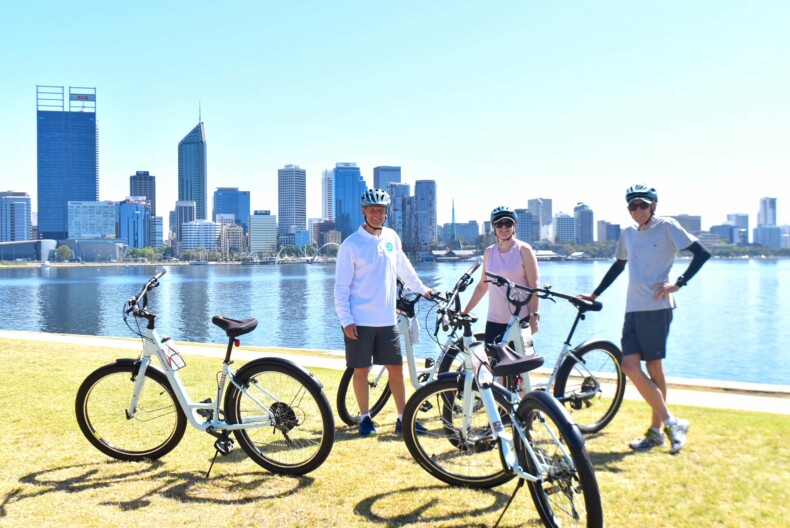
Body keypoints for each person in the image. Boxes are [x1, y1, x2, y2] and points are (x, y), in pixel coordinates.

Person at [580, 184, 710, 454]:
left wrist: (679, 283)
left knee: (654, 368)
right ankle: (671, 423)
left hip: (657, 308)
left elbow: (702, 253)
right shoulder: (628, 233)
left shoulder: (667, 226)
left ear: (654, 205)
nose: (637, 210)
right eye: (632, 206)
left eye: (642, 205)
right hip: (633, 309)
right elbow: (619, 265)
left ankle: (656, 432)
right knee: (628, 366)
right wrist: (594, 293)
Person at [334, 188, 433, 437]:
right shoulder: (350, 245)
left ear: (386, 213)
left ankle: (403, 419)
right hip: (360, 321)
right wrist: (346, 320)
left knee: (396, 369)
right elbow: (341, 288)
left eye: (381, 210)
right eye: (373, 210)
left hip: (388, 320)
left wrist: (422, 289)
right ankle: (365, 418)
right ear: (364, 211)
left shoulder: (391, 238)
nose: (378, 214)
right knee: (361, 370)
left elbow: (405, 269)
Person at [461, 206, 541, 346]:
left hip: (519, 319)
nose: (503, 227)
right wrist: (466, 310)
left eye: (508, 223)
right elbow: (482, 286)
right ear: (493, 226)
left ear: (514, 225)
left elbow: (534, 285)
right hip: (494, 320)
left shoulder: (524, 250)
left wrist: (534, 316)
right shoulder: (489, 252)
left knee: (519, 366)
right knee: (494, 365)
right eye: (499, 224)